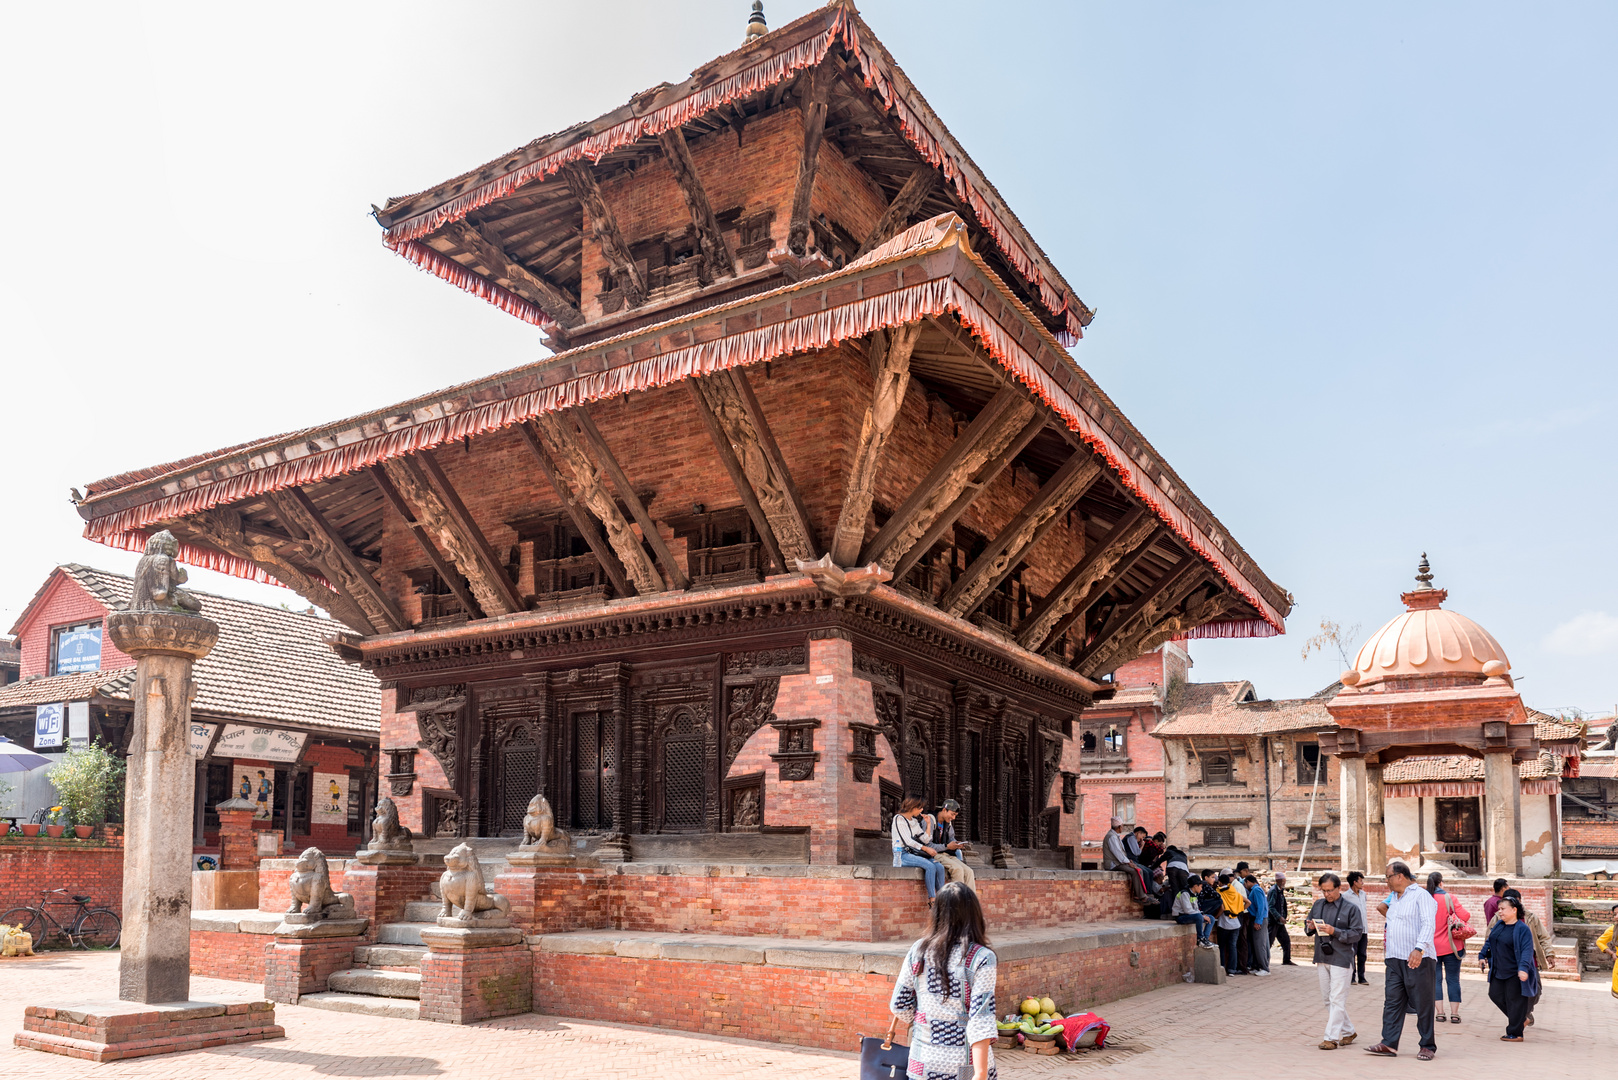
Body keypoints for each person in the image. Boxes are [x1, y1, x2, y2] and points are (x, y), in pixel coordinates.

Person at [888, 882, 997, 1080]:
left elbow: (899, 1004)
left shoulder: (918, 950)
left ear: (937, 914)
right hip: (965, 1068)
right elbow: (980, 1019)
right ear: (974, 913)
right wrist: (980, 1074)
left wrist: (927, 1021)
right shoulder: (981, 957)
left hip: (922, 1063)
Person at [1362, 860, 1438, 1060]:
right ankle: (1389, 1043)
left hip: (1418, 958)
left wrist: (1418, 949)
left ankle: (1427, 1045)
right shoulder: (1394, 898)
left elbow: (1429, 924)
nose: (1386, 881)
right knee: (1393, 1002)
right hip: (1394, 959)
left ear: (1400, 876)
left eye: (1388, 876)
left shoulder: (1422, 896)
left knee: (1423, 1003)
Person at [1306, 872, 1366, 1050]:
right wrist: (1309, 926)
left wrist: (1335, 931)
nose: (1327, 894)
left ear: (1339, 888)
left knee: (1337, 999)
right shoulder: (1318, 904)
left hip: (1342, 957)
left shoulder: (1351, 908)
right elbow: (1308, 926)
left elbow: (1356, 933)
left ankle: (1330, 1038)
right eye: (1323, 891)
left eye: (1330, 891)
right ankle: (1348, 1031)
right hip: (1322, 956)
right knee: (1328, 1000)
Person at [1487, 888, 1554, 1026]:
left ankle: (1523, 1013)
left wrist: (1549, 954)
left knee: (1535, 992)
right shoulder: (1498, 919)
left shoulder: (1530, 918)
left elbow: (1543, 936)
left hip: (1530, 961)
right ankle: (1519, 1018)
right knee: (1503, 994)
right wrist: (1487, 956)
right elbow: (1489, 938)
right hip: (1507, 963)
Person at [1478, 895, 1540, 1042]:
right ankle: (1520, 1020)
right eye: (1499, 909)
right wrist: (1482, 955)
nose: (1500, 912)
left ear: (1514, 910)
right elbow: (1490, 941)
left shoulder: (1522, 929)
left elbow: (1527, 951)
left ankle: (1515, 1033)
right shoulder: (1499, 925)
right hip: (1498, 970)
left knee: (1515, 1000)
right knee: (1495, 994)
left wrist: (1523, 969)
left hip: (1515, 972)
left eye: (1503, 909)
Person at [1425, 871, 1471, 1024]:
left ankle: (1439, 1013)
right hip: (1452, 947)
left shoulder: (1425, 899)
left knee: (1435, 980)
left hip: (1431, 948)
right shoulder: (1449, 898)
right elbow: (1465, 916)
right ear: (1441, 883)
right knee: (1453, 980)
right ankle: (1455, 1014)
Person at [891, 797, 946, 900]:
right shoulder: (899, 819)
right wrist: (926, 849)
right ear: (913, 806)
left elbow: (925, 839)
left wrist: (929, 824)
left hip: (914, 853)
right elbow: (908, 841)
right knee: (930, 866)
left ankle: (942, 899)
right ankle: (933, 900)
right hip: (902, 854)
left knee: (939, 867)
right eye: (920, 808)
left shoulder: (914, 821)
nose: (922, 810)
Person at [928, 799, 976, 893]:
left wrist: (957, 844)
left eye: (955, 815)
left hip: (946, 853)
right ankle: (957, 902)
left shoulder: (947, 823)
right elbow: (927, 844)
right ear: (944, 810)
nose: (953, 818)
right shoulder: (930, 820)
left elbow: (951, 838)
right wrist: (947, 846)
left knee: (969, 872)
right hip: (933, 854)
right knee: (957, 870)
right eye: (952, 814)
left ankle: (970, 904)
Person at [1216, 873, 1248, 976]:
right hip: (1236, 923)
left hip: (1224, 923)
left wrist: (1215, 917)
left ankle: (1222, 968)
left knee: (1221, 946)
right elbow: (1248, 902)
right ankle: (1232, 970)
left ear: (1220, 882)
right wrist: (1239, 911)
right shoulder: (1234, 892)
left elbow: (1222, 908)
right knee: (1232, 946)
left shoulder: (1219, 893)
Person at [1172, 877, 1216, 948]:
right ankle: (1200, 939)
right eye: (1201, 886)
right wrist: (1201, 916)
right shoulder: (1184, 893)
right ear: (1195, 886)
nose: (1201, 889)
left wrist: (1203, 915)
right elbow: (1187, 910)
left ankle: (1205, 939)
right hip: (1181, 917)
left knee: (1211, 918)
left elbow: (1196, 909)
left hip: (1190, 915)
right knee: (1199, 917)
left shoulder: (1194, 894)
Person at [1345, 871, 1371, 985]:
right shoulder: (1346, 896)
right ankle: (1351, 977)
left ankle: (1362, 977)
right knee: (1352, 953)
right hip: (1353, 929)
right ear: (1354, 882)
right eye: (1361, 881)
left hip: (1364, 929)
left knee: (1362, 954)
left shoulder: (1363, 894)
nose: (1362, 883)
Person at [1243, 873, 1271, 975]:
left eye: (1245, 883)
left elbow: (1261, 907)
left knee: (1260, 945)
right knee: (1255, 944)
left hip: (1259, 919)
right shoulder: (1256, 890)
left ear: (1249, 882)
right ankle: (1257, 966)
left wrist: (1258, 921)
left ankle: (1264, 968)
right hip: (1256, 919)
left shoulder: (1256, 890)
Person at [1269, 872, 1295, 966]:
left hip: (1279, 922)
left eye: (1284, 880)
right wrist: (1279, 917)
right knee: (1269, 942)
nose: (1284, 882)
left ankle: (1286, 960)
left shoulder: (1280, 890)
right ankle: (1263, 962)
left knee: (1286, 941)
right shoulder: (1273, 891)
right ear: (1277, 881)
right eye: (1282, 881)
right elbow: (1271, 906)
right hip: (1273, 922)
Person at [1595, 903, 1618, 1000]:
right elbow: (1600, 941)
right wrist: (1611, 953)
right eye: (1615, 914)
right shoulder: (1614, 930)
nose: (1616, 917)